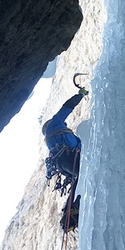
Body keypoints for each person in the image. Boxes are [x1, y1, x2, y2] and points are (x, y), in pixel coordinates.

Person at [42, 88, 88, 230]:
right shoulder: (54, 125)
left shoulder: (60, 136)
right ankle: (70, 211)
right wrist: (79, 96)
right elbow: (66, 108)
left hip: (65, 162)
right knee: (84, 174)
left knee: (80, 179)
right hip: (67, 158)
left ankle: (72, 211)